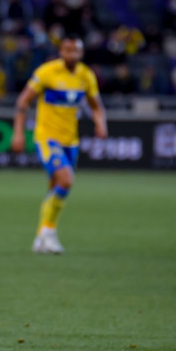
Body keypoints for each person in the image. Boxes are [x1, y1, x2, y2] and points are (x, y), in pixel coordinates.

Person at [11, 34, 107, 254]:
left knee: (56, 186)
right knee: (65, 179)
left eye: (76, 51)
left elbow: (96, 106)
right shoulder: (47, 72)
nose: (71, 55)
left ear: (81, 53)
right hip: (47, 138)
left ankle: (40, 238)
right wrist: (18, 133)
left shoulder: (85, 75)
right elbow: (23, 101)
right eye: (67, 50)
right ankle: (49, 232)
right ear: (61, 52)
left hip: (71, 141)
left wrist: (100, 124)